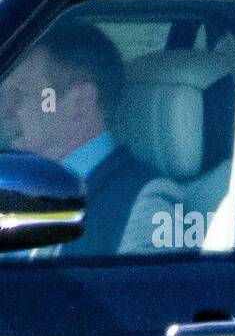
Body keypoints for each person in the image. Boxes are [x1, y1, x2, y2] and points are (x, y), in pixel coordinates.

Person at [0, 20, 179, 258]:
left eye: (19, 95)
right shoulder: (15, 183)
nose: (5, 110)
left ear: (79, 103)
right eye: (4, 96)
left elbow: (142, 294)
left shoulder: (143, 201)